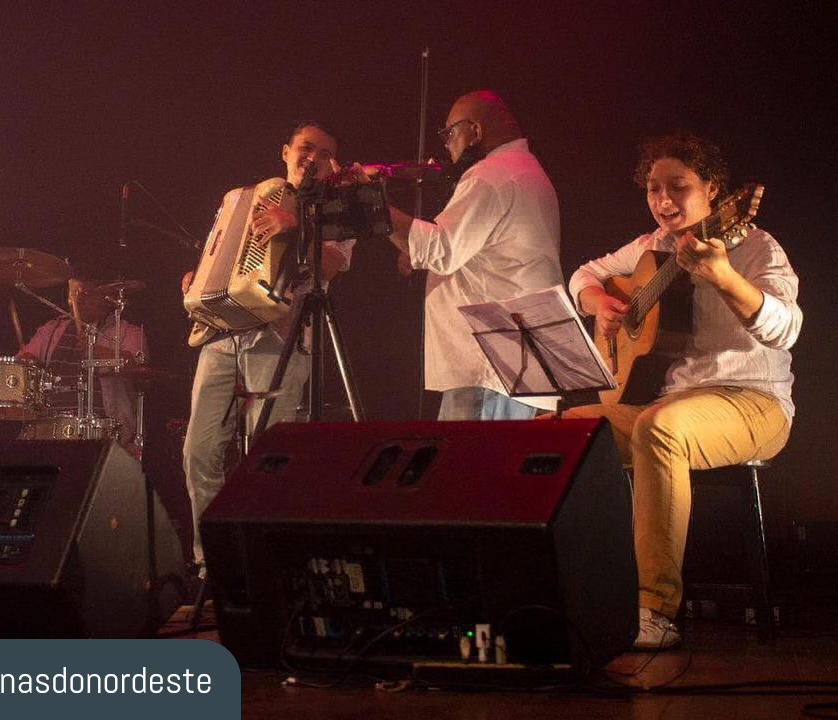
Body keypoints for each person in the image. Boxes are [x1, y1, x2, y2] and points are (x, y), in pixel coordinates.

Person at [563, 132, 801, 649]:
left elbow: (786, 328)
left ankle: (653, 608)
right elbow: (584, 273)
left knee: (660, 428)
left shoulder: (756, 246)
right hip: (668, 404)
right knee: (554, 435)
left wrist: (724, 277)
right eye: (654, 188)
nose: (664, 200)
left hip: (752, 402)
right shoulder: (651, 247)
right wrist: (599, 303)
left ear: (714, 190)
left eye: (678, 186)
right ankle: (564, 595)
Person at [181, 121, 354, 575]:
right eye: (306, 148)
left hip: (281, 336)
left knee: (268, 458)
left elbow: (332, 264)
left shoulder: (336, 207)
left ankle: (267, 570)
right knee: (198, 453)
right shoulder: (251, 199)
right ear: (285, 151)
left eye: (324, 153)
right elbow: (223, 255)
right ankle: (213, 567)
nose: (312, 158)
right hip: (223, 334)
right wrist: (199, 279)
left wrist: (297, 226)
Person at [372, 90, 563, 420]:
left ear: (475, 130)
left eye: (449, 133)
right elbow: (486, 252)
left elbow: (440, 249)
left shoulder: (491, 175)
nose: (446, 145)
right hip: (509, 361)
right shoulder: (524, 170)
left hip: (489, 365)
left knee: (471, 455)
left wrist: (371, 204)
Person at [17, 277, 145, 448]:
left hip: (104, 429)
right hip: (50, 426)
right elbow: (22, 360)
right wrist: (28, 362)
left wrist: (96, 351)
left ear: (106, 300)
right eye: (76, 294)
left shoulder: (127, 332)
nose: (80, 300)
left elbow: (134, 365)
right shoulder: (51, 329)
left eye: (87, 294)